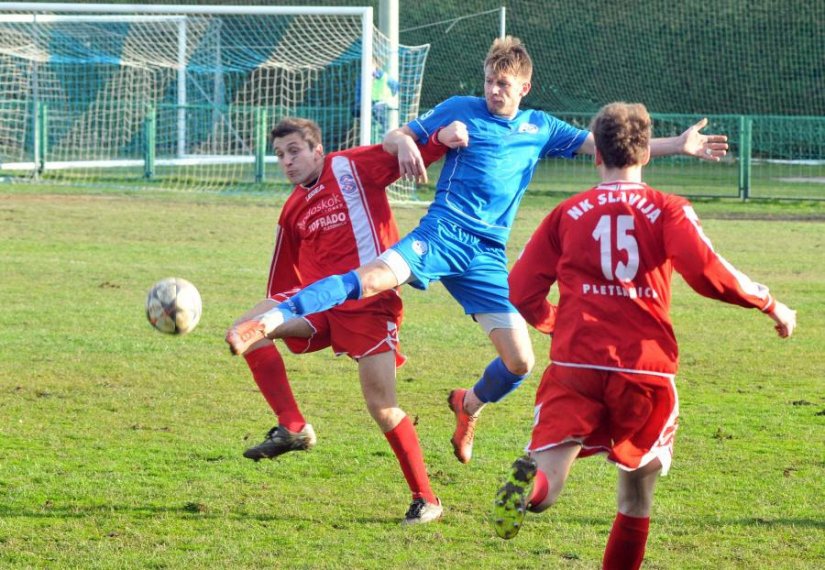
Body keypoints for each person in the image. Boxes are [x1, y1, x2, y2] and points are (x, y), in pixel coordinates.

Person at [226, 36, 729, 467]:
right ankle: (272, 319)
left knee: (520, 362)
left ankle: (467, 405)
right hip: (442, 233)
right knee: (374, 275)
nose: (493, 90)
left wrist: (677, 145)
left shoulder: (541, 127)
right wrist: (403, 142)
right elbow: (398, 135)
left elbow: (611, 144)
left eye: (503, 84)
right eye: (489, 80)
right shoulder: (459, 108)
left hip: (486, 254)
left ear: (524, 88)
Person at [491, 102, 796, 569]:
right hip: (643, 367)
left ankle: (530, 490)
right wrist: (770, 303)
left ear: (597, 155)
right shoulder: (667, 209)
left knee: (551, 468)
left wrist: (555, 322)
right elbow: (708, 273)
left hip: (576, 363)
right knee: (634, 496)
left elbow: (521, 288)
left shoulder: (567, 213)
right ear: (647, 155)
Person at [230, 117, 465, 525]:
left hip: (369, 304)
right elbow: (282, 281)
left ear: (317, 149)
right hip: (319, 305)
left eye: (295, 151)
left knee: (382, 406)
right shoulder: (292, 211)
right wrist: (267, 317)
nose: (287, 161)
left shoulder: (350, 166)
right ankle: (293, 426)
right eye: (280, 155)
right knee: (247, 330)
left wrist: (438, 140)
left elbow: (403, 154)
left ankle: (427, 498)